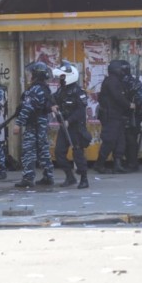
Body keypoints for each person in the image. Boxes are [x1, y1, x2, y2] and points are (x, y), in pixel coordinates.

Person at [13, 62, 54, 187]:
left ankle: (28, 178)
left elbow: (27, 108)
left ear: (36, 75)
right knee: (43, 150)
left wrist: (18, 124)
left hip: (33, 125)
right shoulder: (44, 88)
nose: (29, 76)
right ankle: (48, 176)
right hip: (42, 123)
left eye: (31, 73)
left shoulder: (35, 90)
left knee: (28, 151)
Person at [52, 61, 90, 189]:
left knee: (78, 153)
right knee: (59, 153)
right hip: (64, 127)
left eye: (63, 76)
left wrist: (69, 120)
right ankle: (70, 177)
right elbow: (52, 99)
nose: (61, 79)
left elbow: (80, 111)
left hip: (76, 127)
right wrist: (52, 106)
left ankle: (84, 179)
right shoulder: (61, 91)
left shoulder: (78, 92)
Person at [96, 60, 131, 174]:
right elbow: (118, 97)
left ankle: (118, 164)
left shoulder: (116, 80)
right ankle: (99, 164)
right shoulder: (112, 81)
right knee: (109, 140)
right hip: (110, 115)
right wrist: (129, 105)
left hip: (117, 115)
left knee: (120, 140)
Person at [120, 60, 142, 172]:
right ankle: (129, 161)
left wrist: (133, 104)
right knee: (127, 139)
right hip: (125, 114)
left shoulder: (134, 83)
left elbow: (140, 99)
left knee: (131, 139)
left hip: (133, 115)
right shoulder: (121, 82)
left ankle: (132, 163)